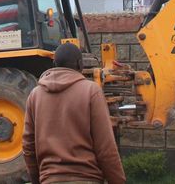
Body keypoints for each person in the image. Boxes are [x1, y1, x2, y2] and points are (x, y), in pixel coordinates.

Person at [22, 43, 126, 184]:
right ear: (80, 64)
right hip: (87, 178)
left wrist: (36, 180)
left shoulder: (35, 95)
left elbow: (28, 146)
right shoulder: (91, 91)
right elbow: (106, 147)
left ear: (54, 64)